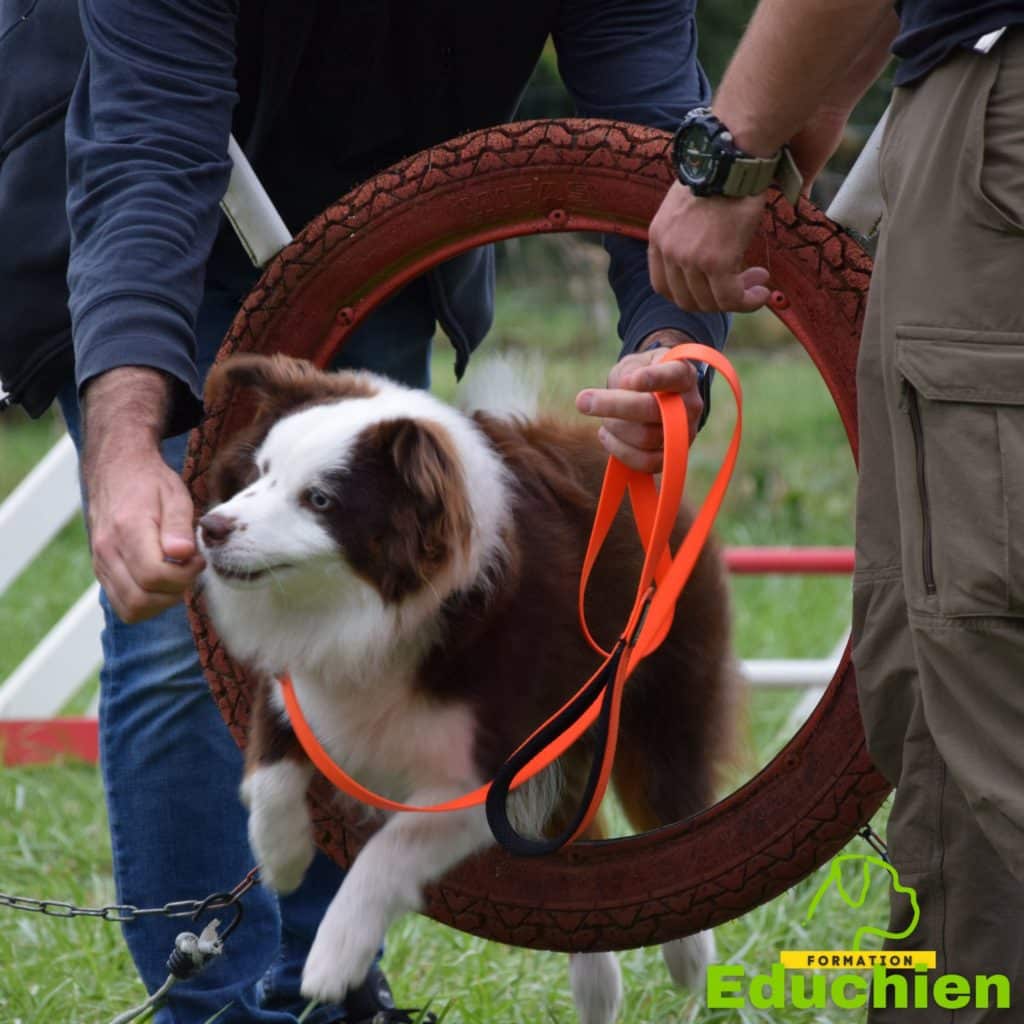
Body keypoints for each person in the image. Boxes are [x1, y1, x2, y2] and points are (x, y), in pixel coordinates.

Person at [1, 2, 730, 1021]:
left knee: (375, 613)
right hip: (155, 209)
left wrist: (671, 351)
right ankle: (219, 1008)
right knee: (184, 618)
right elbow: (147, 151)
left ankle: (328, 996)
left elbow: (651, 132)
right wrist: (126, 455)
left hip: (383, 213)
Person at [647, 2, 1024, 1019]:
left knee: (986, 657)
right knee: (936, 669)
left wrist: (727, 153)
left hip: (1001, 109)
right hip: (960, 88)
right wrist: (821, 85)